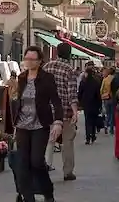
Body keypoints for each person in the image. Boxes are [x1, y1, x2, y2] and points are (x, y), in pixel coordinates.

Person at [10, 46, 63, 202]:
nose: (29, 62)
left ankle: (47, 191)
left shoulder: (47, 78)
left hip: (40, 125)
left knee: (37, 162)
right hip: (22, 126)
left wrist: (58, 122)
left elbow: (56, 101)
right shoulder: (21, 78)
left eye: (33, 59)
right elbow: (16, 100)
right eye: (27, 59)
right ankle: (28, 197)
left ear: (40, 61)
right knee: (22, 163)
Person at [42, 43, 79, 181]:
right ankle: (67, 172)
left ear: (57, 52)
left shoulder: (46, 67)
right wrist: (75, 112)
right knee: (67, 142)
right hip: (64, 113)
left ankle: (46, 164)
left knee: (49, 139)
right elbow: (72, 94)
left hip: (47, 111)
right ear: (69, 54)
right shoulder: (69, 70)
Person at [78, 63, 102, 144]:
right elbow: (98, 94)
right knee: (93, 120)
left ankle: (88, 137)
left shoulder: (83, 82)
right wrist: (100, 104)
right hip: (94, 103)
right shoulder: (96, 82)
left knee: (87, 120)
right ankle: (93, 135)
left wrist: (80, 102)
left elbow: (80, 93)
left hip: (86, 104)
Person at [100, 67, 115, 134]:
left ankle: (106, 125)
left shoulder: (105, 79)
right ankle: (111, 128)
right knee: (112, 114)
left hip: (106, 97)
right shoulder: (114, 79)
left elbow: (101, 89)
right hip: (113, 97)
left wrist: (102, 95)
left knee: (107, 113)